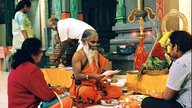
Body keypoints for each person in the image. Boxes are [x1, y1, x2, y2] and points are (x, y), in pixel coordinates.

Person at [8, 38, 72, 108]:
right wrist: (58, 90)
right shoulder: (32, 70)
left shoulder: (16, 66)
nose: (41, 54)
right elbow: (47, 96)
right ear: (33, 55)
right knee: (67, 100)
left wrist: (52, 88)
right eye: (40, 51)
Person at [69, 29, 122, 104]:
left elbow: (98, 70)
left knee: (117, 90)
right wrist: (92, 76)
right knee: (85, 92)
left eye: (97, 42)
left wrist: (107, 74)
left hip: (97, 85)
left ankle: (97, 98)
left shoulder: (95, 53)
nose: (95, 45)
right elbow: (77, 76)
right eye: (92, 42)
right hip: (84, 85)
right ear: (84, 41)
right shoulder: (78, 55)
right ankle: (98, 98)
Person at [141, 31, 192, 108]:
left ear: (175, 47)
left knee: (147, 102)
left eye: (170, 46)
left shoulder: (180, 63)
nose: (169, 50)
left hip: (186, 104)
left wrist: (160, 95)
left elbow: (168, 96)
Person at [4, 0, 35, 72]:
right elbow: (22, 28)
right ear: (25, 6)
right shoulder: (20, 15)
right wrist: (27, 40)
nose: (29, 10)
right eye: (28, 7)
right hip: (22, 39)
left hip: (21, 39)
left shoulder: (18, 14)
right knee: (24, 57)